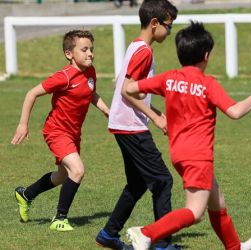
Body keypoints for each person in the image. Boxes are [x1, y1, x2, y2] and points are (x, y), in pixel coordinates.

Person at [121, 21, 251, 250]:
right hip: (199, 156)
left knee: (217, 202)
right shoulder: (208, 84)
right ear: (206, 55)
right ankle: (145, 233)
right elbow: (235, 112)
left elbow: (128, 89)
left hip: (179, 153)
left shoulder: (169, 78)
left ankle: (235, 247)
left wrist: (152, 106)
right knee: (195, 212)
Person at [95, 1, 179, 250]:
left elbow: (130, 91)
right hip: (131, 127)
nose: (169, 32)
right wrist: (154, 118)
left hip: (123, 124)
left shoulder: (135, 47)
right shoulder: (144, 52)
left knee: (138, 183)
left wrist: (154, 111)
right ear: (155, 24)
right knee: (163, 181)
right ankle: (162, 244)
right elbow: (126, 91)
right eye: (168, 27)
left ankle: (109, 234)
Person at [11, 30, 110, 231]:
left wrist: (106, 110)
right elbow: (32, 93)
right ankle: (60, 219)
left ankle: (26, 194)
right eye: (84, 49)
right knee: (78, 170)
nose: (90, 53)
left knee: (63, 176)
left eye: (91, 49)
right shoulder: (63, 76)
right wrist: (23, 123)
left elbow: (91, 93)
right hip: (56, 131)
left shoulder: (90, 72)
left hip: (74, 133)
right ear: (69, 54)